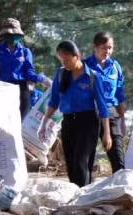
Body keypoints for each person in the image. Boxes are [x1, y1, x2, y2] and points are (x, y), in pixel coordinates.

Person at [38, 41, 110, 187]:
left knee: (81, 162)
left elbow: (102, 107)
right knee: (70, 163)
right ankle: (78, 196)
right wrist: (43, 123)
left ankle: (82, 199)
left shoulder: (92, 77)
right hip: (69, 122)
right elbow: (53, 102)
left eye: (67, 60)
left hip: (88, 123)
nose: (64, 64)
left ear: (77, 56)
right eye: (61, 60)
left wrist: (106, 133)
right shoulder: (60, 74)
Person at [0, 18, 51, 118]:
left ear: (19, 35)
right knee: (1, 119)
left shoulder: (25, 52)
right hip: (2, 87)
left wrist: (42, 79)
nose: (12, 37)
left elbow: (29, 73)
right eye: (8, 35)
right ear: (4, 35)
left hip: (21, 89)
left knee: (20, 120)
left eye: (14, 35)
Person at [84, 32, 126, 174]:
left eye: (110, 48)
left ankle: (120, 193)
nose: (107, 51)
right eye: (104, 47)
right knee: (86, 160)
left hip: (111, 112)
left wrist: (122, 118)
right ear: (94, 47)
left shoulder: (115, 67)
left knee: (118, 159)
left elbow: (119, 93)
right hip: (89, 113)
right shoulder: (84, 66)